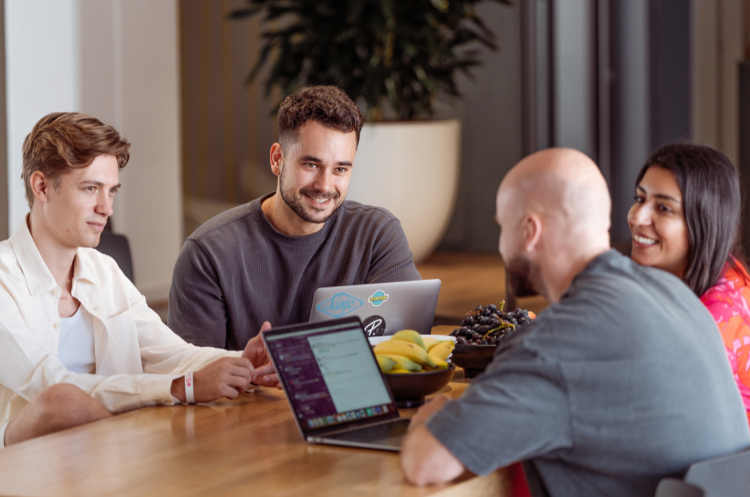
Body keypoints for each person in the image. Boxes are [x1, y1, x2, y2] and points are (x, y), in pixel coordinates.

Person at [400, 148, 750, 496]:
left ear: (529, 230)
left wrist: (433, 415)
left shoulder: (555, 342)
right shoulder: (676, 296)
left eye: (502, 227)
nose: (502, 246)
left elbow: (426, 463)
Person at [0, 112, 278, 448]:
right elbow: (51, 387)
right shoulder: (4, 279)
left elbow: (170, 354)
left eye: (112, 191)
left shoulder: (105, 271)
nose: (107, 208)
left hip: (109, 445)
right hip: (25, 455)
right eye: (91, 189)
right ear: (41, 186)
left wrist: (240, 363)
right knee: (64, 400)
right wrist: (179, 388)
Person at [168, 86, 421, 350]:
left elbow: (405, 349)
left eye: (340, 169)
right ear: (278, 159)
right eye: (311, 165)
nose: (325, 185)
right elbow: (197, 378)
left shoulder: (377, 235)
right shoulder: (208, 254)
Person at [628, 142, 750, 425]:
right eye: (639, 199)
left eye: (663, 208)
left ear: (703, 221)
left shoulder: (720, 312)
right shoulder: (718, 266)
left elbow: (648, 404)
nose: (637, 217)